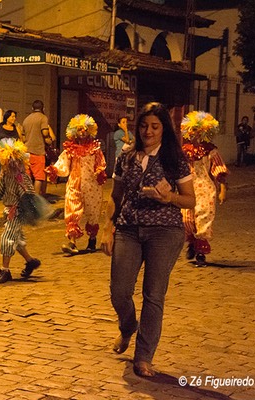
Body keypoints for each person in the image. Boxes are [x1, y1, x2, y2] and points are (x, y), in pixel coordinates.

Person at [100, 102, 196, 378]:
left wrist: (170, 198)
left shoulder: (174, 159)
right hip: (128, 229)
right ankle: (127, 326)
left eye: (155, 126)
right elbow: (115, 197)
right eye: (144, 126)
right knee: (119, 291)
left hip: (164, 232)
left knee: (153, 295)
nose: (148, 131)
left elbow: (190, 199)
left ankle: (143, 356)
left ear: (164, 128)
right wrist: (108, 226)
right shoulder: (127, 157)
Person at [0, 138, 49, 284]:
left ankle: (5, 270)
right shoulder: (5, 175)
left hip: (16, 212)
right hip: (9, 211)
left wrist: (23, 209)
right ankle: (30, 261)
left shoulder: (20, 176)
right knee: (17, 240)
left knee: (7, 239)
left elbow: (28, 194)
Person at [48, 114, 107, 254]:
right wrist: (55, 170)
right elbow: (63, 164)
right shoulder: (70, 149)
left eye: (85, 129)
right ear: (74, 131)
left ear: (90, 130)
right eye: (79, 129)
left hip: (92, 186)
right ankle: (72, 242)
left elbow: (101, 163)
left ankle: (92, 239)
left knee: (93, 213)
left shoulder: (95, 149)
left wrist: (99, 171)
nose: (82, 132)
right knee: (72, 212)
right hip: (74, 185)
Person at [181, 111, 228, 267]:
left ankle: (200, 252)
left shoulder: (211, 151)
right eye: (193, 130)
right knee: (187, 219)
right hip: (187, 187)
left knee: (203, 217)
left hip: (206, 188)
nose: (195, 134)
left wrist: (222, 190)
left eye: (199, 131)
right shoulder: (185, 151)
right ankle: (192, 243)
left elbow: (219, 170)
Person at [22, 100, 52, 196]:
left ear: (32, 108)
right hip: (38, 151)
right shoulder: (43, 118)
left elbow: (23, 137)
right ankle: (36, 199)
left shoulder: (26, 119)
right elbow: (45, 133)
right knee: (39, 177)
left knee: (27, 177)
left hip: (26, 153)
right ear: (43, 109)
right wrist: (49, 140)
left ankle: (27, 197)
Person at [0, 109, 20, 184]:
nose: (14, 118)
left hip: (11, 157)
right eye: (12, 116)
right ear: (7, 117)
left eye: (15, 117)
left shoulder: (16, 128)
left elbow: (21, 140)